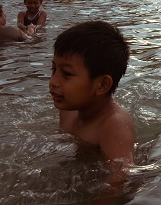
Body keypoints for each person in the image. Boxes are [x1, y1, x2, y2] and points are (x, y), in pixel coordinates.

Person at [49, 21, 135, 202]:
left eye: (66, 74)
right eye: (53, 69)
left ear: (102, 85)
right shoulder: (68, 110)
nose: (53, 81)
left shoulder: (113, 124)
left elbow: (121, 178)